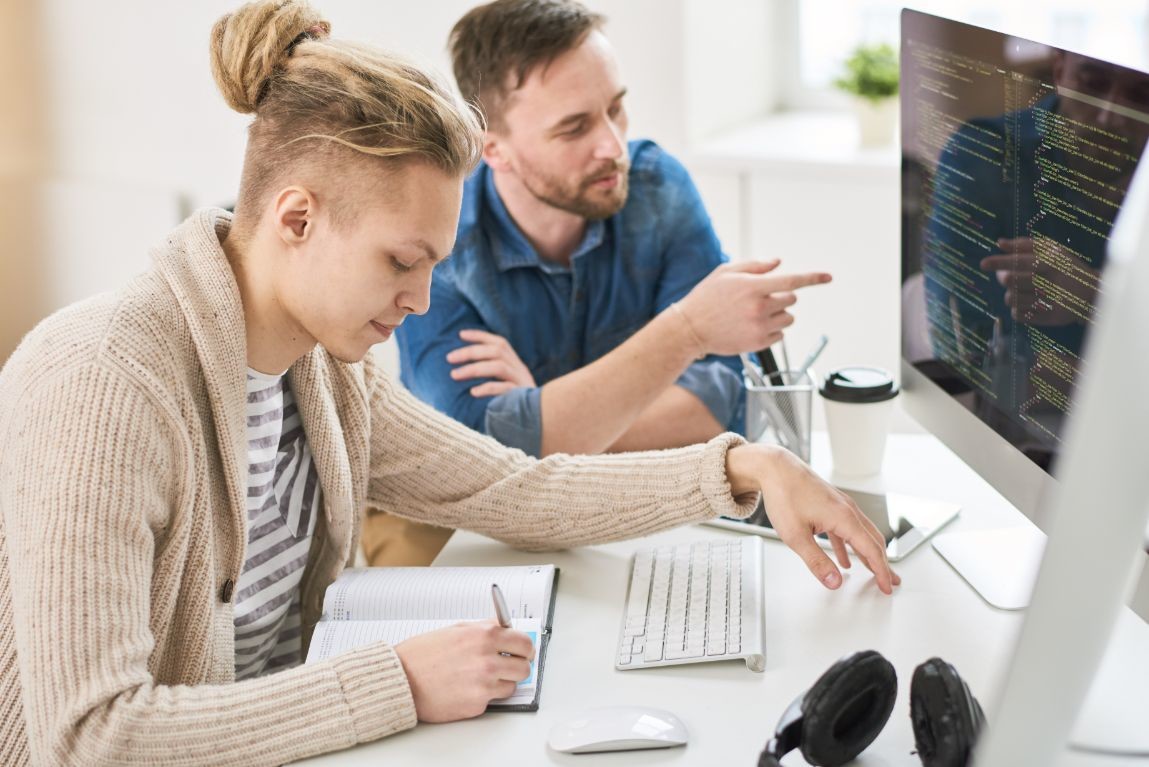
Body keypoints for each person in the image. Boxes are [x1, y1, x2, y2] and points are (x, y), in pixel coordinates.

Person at [0, 2, 898, 764]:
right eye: (402, 259)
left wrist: (740, 469)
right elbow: (92, 733)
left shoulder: (321, 371)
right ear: (297, 217)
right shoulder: (102, 381)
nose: (425, 298)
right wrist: (397, 681)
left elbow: (510, 484)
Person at [374, 0, 830, 565]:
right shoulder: (442, 241)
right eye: (574, 128)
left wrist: (541, 411)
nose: (614, 146)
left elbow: (724, 401)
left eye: (616, 109)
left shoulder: (657, 188)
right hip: (467, 537)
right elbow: (481, 459)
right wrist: (684, 333)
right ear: (492, 146)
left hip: (632, 525)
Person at [916, 50, 1149, 458]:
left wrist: (1094, 295)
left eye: (1142, 95)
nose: (1110, 117)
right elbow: (966, 361)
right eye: (1092, 84)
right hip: (1017, 446)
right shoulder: (985, 154)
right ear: (1060, 70)